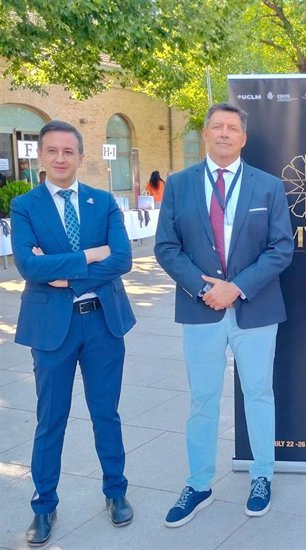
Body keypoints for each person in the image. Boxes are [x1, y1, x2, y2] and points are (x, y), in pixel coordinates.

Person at [154, 103, 293, 527]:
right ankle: (198, 484)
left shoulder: (267, 187)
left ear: (243, 138)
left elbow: (281, 248)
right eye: (218, 126)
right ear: (205, 132)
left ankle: (262, 476)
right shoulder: (179, 185)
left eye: (233, 128)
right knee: (202, 400)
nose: (225, 133)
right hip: (201, 310)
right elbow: (166, 247)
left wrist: (237, 287)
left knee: (259, 394)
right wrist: (203, 288)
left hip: (255, 308)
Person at [10, 120, 136, 547]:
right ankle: (43, 505)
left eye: (69, 151)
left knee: (106, 413)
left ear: (82, 157)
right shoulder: (25, 206)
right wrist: (86, 255)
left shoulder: (103, 202)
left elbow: (122, 259)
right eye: (52, 151)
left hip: (103, 323)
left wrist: (64, 272)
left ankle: (116, 492)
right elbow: (28, 266)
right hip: (51, 330)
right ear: (40, 156)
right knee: (51, 420)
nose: (61, 158)